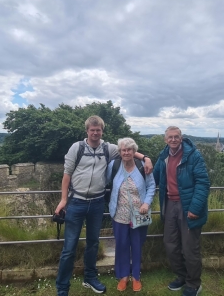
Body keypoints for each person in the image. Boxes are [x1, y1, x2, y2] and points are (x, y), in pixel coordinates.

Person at [54, 116, 153, 296]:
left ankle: (90, 278)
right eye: (92, 130)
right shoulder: (77, 148)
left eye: (98, 130)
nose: (95, 132)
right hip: (76, 201)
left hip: (98, 202)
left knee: (93, 243)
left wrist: (146, 158)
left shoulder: (108, 148)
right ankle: (62, 287)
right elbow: (67, 174)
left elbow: (128, 149)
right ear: (87, 131)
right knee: (69, 248)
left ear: (102, 131)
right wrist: (63, 200)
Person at [153, 126, 210, 296]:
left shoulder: (193, 156)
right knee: (170, 244)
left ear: (181, 137)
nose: (173, 140)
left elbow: (203, 183)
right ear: (165, 139)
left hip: (188, 206)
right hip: (170, 204)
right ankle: (182, 276)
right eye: (170, 137)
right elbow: (152, 177)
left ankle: (193, 284)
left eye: (176, 137)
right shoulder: (163, 157)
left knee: (190, 247)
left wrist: (195, 208)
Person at [106, 137, 156, 292]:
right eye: (123, 150)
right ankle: (123, 276)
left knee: (136, 245)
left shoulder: (142, 167)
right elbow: (106, 183)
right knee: (121, 245)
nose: (126, 152)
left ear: (135, 152)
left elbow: (152, 185)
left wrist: (146, 203)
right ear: (120, 152)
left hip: (139, 214)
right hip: (119, 214)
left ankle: (136, 277)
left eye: (129, 149)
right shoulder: (113, 166)